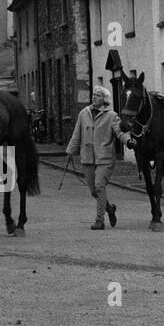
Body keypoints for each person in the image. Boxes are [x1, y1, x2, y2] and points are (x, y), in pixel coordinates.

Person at [65, 85, 125, 230]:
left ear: (104, 99)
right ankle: (109, 209)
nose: (94, 97)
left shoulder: (112, 115)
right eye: (94, 95)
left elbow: (120, 132)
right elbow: (77, 134)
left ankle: (99, 220)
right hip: (87, 158)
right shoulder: (83, 113)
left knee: (99, 186)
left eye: (98, 95)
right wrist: (70, 152)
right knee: (93, 191)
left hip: (105, 158)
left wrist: (128, 141)